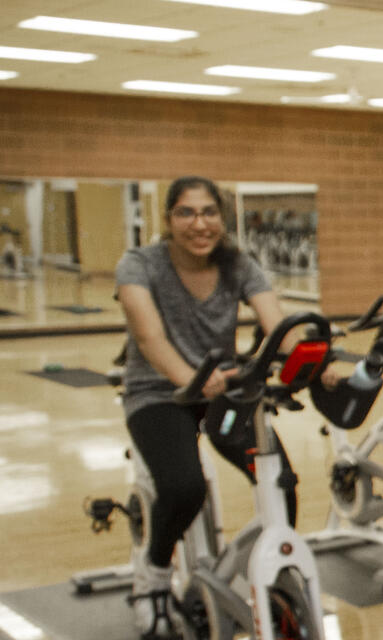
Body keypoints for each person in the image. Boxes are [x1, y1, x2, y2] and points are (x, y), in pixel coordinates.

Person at [116, 176, 297, 637]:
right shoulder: (140, 264)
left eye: (209, 213)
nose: (200, 224)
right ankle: (152, 579)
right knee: (183, 487)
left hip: (222, 391)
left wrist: (318, 362)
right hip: (158, 393)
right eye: (187, 213)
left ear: (223, 218)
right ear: (169, 219)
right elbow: (148, 337)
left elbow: (277, 324)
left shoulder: (239, 264)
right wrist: (191, 379)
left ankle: (267, 575)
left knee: (281, 480)